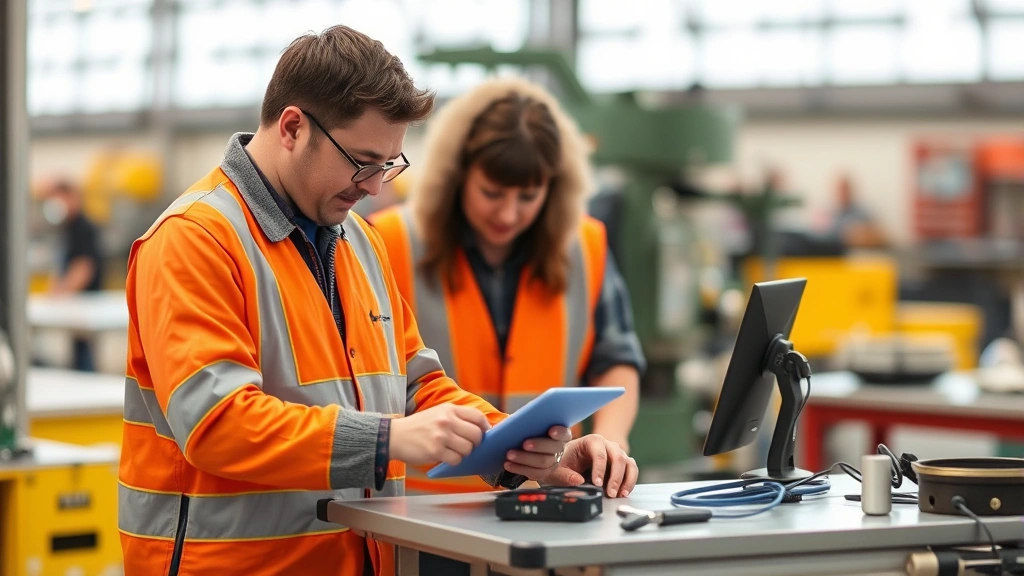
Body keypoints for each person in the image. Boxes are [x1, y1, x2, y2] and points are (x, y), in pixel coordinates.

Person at [118, 26, 637, 576]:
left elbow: (415, 385)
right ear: (293, 127)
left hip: (357, 558)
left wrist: (527, 452)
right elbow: (216, 424)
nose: (375, 188)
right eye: (362, 162)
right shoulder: (194, 240)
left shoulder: (355, 240)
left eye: (389, 164)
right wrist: (388, 439)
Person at [370, 76, 644, 496]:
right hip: (425, 514)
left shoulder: (586, 248)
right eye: (492, 193)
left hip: (552, 499)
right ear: (458, 176)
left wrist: (612, 441)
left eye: (528, 196)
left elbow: (616, 356)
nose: (508, 213)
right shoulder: (387, 242)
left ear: (553, 188)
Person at [38, 177, 105, 371]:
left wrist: (60, 292)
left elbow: (83, 268)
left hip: (86, 304)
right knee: (77, 350)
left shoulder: (83, 228)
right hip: (75, 305)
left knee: (84, 353)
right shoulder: (67, 228)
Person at [829, 173, 888, 249]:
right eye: (840, 190)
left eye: (845, 190)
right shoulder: (828, 213)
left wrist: (858, 236)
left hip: (857, 254)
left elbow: (883, 237)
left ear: (851, 190)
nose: (843, 193)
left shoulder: (863, 212)